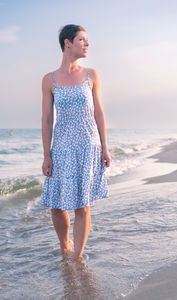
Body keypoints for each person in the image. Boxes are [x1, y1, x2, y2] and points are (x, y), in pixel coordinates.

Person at [40, 24, 111, 262]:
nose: (87, 44)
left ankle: (77, 256)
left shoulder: (91, 75)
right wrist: (46, 155)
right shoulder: (49, 80)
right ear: (67, 43)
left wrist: (105, 147)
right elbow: (47, 119)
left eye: (87, 40)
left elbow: (99, 112)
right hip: (60, 148)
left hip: (88, 145)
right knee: (56, 205)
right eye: (82, 39)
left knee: (82, 206)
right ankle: (64, 245)